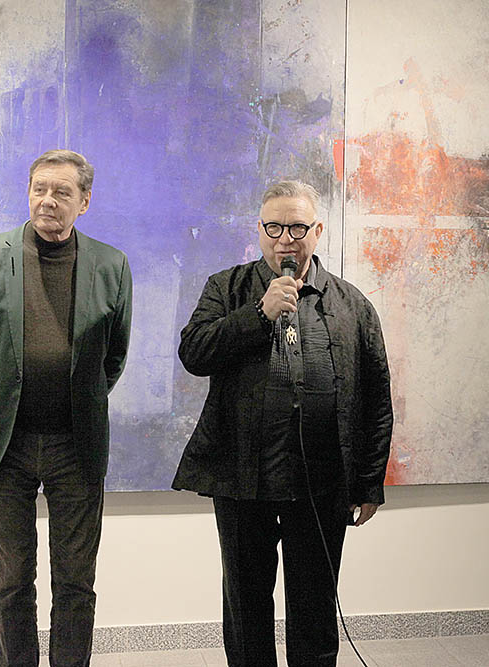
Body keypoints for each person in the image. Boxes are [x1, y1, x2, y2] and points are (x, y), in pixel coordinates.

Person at [171, 181, 393, 667]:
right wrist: (259, 313)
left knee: (315, 608)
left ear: (317, 231)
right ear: (259, 231)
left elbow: (377, 398)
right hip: (243, 479)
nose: (285, 239)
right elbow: (194, 353)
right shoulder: (226, 287)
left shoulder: (352, 303)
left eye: (296, 228)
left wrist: (369, 482)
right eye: (274, 228)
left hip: (321, 482)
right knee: (246, 603)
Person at [0, 149, 132, 666]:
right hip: (3, 447)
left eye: (62, 192)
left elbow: (114, 356)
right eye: (40, 189)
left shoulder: (112, 265)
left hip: (76, 446)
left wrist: (77, 402)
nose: (48, 200)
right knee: (11, 582)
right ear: (29, 192)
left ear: (84, 202)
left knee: (76, 582)